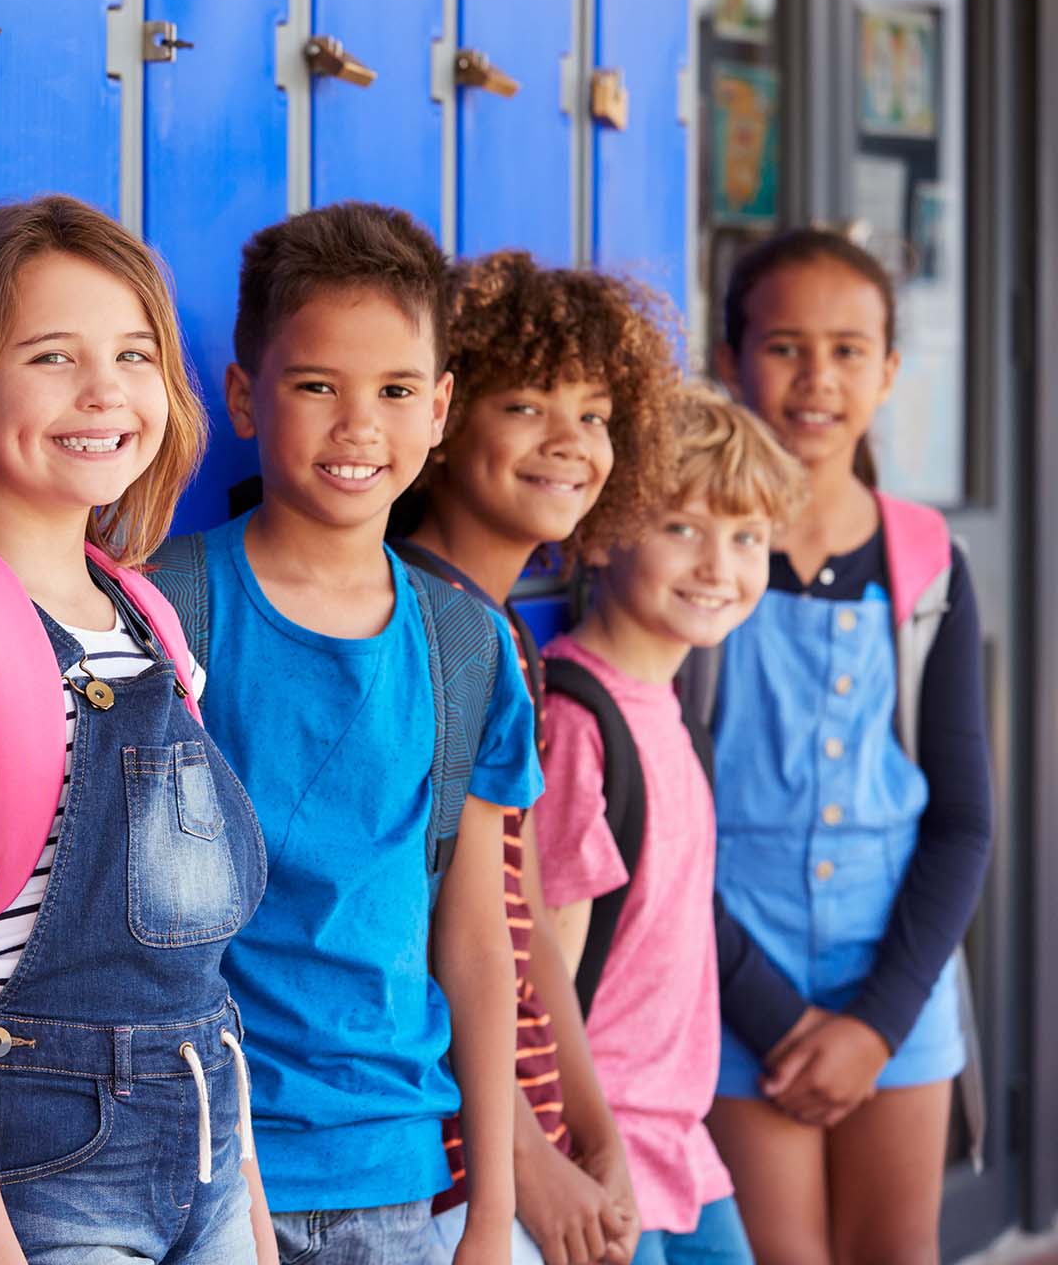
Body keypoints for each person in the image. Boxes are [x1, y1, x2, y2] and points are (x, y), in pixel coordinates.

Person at [0, 195, 274, 1265]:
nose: (105, 392)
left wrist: (253, 1222)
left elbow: (200, 979)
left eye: (134, 354)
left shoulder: (149, 618)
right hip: (43, 1156)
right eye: (51, 357)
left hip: (207, 1118)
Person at [171, 202, 541, 1263]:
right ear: (244, 396)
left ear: (440, 409)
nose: (357, 425)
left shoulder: (469, 645)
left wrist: (491, 1206)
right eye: (315, 386)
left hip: (399, 1176)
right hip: (203, 1167)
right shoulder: (168, 614)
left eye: (392, 391)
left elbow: (475, 939)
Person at [703, 228, 992, 1262]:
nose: (816, 378)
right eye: (783, 346)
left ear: (890, 370)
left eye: (848, 349)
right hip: (733, 984)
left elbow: (963, 820)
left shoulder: (926, 558)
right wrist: (778, 1017)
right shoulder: (693, 558)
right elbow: (662, 820)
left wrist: (876, 1021)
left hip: (899, 987)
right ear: (730, 357)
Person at [393, 250, 680, 1264]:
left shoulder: (505, 634)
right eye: (526, 406)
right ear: (441, 419)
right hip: (444, 1168)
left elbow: (525, 919)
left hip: (526, 1140)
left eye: (596, 414)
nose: (571, 444)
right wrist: (530, 1163)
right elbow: (427, 937)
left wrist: (593, 1133)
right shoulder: (409, 621)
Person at [535, 387, 806, 1264]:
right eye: (683, 528)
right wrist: (568, 1150)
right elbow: (542, 979)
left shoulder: (669, 705)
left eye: (748, 538)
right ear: (606, 532)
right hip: (599, 1149)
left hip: (679, 1141)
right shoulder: (579, 724)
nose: (720, 566)